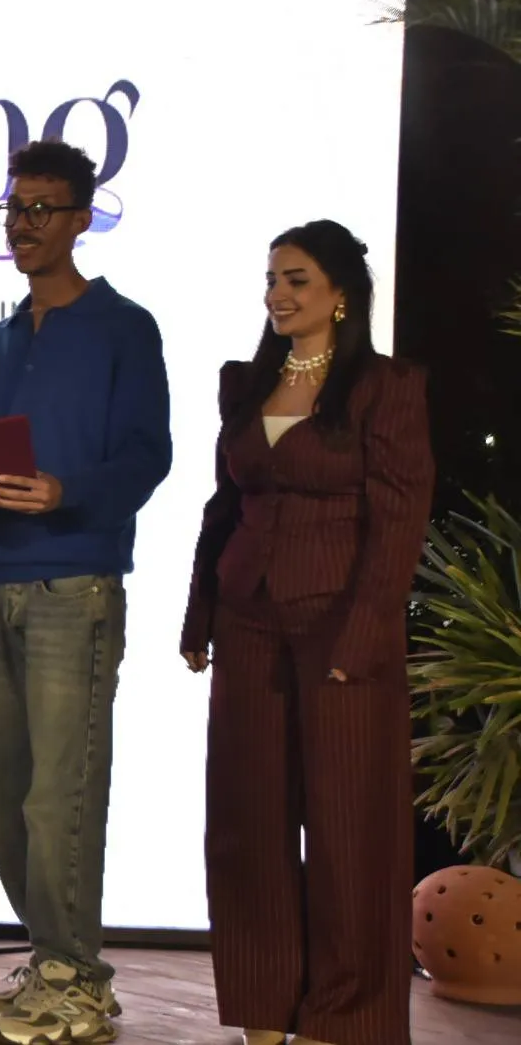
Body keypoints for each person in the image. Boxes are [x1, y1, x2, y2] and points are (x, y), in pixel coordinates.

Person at [180, 220, 434, 1045]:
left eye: (295, 279)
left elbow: (399, 524)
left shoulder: (386, 387)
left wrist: (363, 641)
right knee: (247, 820)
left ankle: (344, 1015)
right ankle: (263, 1004)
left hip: (341, 625)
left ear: (340, 294)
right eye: (271, 280)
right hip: (248, 616)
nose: (278, 295)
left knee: (349, 827)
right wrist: (200, 613)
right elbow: (225, 504)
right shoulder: (245, 382)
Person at [0, 140, 172, 1045]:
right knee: (6, 797)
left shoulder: (124, 326)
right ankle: (52, 959)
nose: (24, 224)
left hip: (76, 584)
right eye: (15, 207)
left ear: (83, 218)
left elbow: (149, 454)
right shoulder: (3, 337)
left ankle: (77, 978)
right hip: (2, 586)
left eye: (42, 209)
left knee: (62, 798)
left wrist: (66, 491)